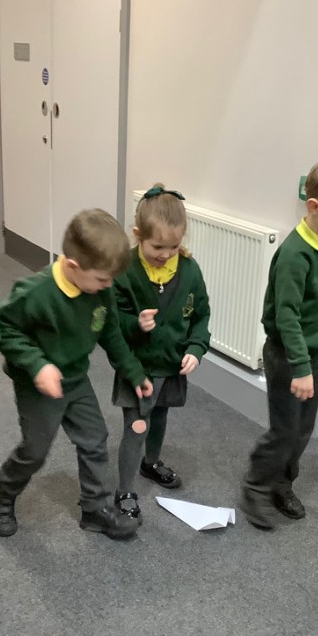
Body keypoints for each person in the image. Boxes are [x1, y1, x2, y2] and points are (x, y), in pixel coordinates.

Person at [0, 208, 153, 540]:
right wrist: (37, 364)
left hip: (76, 378)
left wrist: (134, 372)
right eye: (102, 280)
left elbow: (111, 334)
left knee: (95, 440)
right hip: (38, 386)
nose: (108, 286)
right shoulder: (35, 292)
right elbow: (2, 329)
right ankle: (2, 495)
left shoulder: (99, 289)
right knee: (35, 451)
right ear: (73, 266)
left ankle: (94, 509)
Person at [241, 159, 318, 529]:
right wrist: (299, 368)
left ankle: (282, 483)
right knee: (284, 429)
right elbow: (287, 316)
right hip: (288, 356)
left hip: (315, 351)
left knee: (302, 429)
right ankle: (256, 486)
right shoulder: (296, 255)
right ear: (314, 207)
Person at [112, 184, 210, 523]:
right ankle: (125, 490)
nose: (166, 254)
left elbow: (201, 315)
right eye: (157, 247)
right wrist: (135, 323)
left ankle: (151, 462)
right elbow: (113, 322)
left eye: (174, 246)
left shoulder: (190, 270)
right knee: (136, 424)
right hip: (137, 366)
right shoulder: (125, 270)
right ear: (138, 234)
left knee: (160, 416)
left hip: (171, 364)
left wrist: (196, 348)